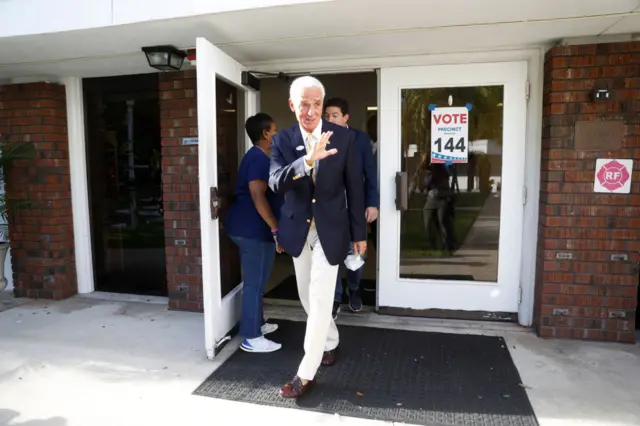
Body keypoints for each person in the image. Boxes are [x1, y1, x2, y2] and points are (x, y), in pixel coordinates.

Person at [269, 76, 366, 398]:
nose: (310, 111)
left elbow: (355, 186)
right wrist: (307, 161)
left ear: (323, 106)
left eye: (316, 104)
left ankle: (305, 373)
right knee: (307, 298)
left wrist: (359, 233)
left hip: (332, 229)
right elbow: (275, 183)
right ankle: (331, 340)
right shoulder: (282, 140)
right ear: (292, 105)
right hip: (299, 230)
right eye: (303, 104)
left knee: (322, 297)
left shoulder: (344, 137)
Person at [226, 113, 284, 353]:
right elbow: (258, 196)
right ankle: (251, 337)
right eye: (275, 130)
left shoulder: (258, 157)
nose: (277, 134)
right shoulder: (259, 159)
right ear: (265, 134)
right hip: (252, 230)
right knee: (254, 284)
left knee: (258, 282)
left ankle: (257, 323)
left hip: (251, 229)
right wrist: (275, 227)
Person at [324, 97, 378, 317]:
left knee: (356, 253)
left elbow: (370, 173)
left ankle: (353, 290)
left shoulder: (360, 139)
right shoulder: (320, 138)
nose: (329, 119)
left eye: (334, 115)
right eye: (326, 116)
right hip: (329, 210)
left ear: (345, 117)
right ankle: (335, 298)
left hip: (354, 208)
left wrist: (372, 203)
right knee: (331, 255)